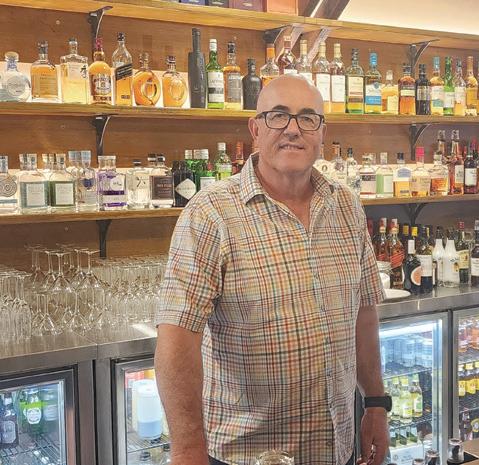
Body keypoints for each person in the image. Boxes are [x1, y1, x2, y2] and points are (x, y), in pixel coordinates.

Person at [155, 75, 389, 465]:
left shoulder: (347, 206)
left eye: (307, 118)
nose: (293, 129)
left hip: (338, 448)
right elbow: (177, 338)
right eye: (278, 116)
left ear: (322, 133)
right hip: (246, 455)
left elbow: (363, 313)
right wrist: (188, 450)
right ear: (255, 129)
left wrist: (376, 402)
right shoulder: (211, 213)